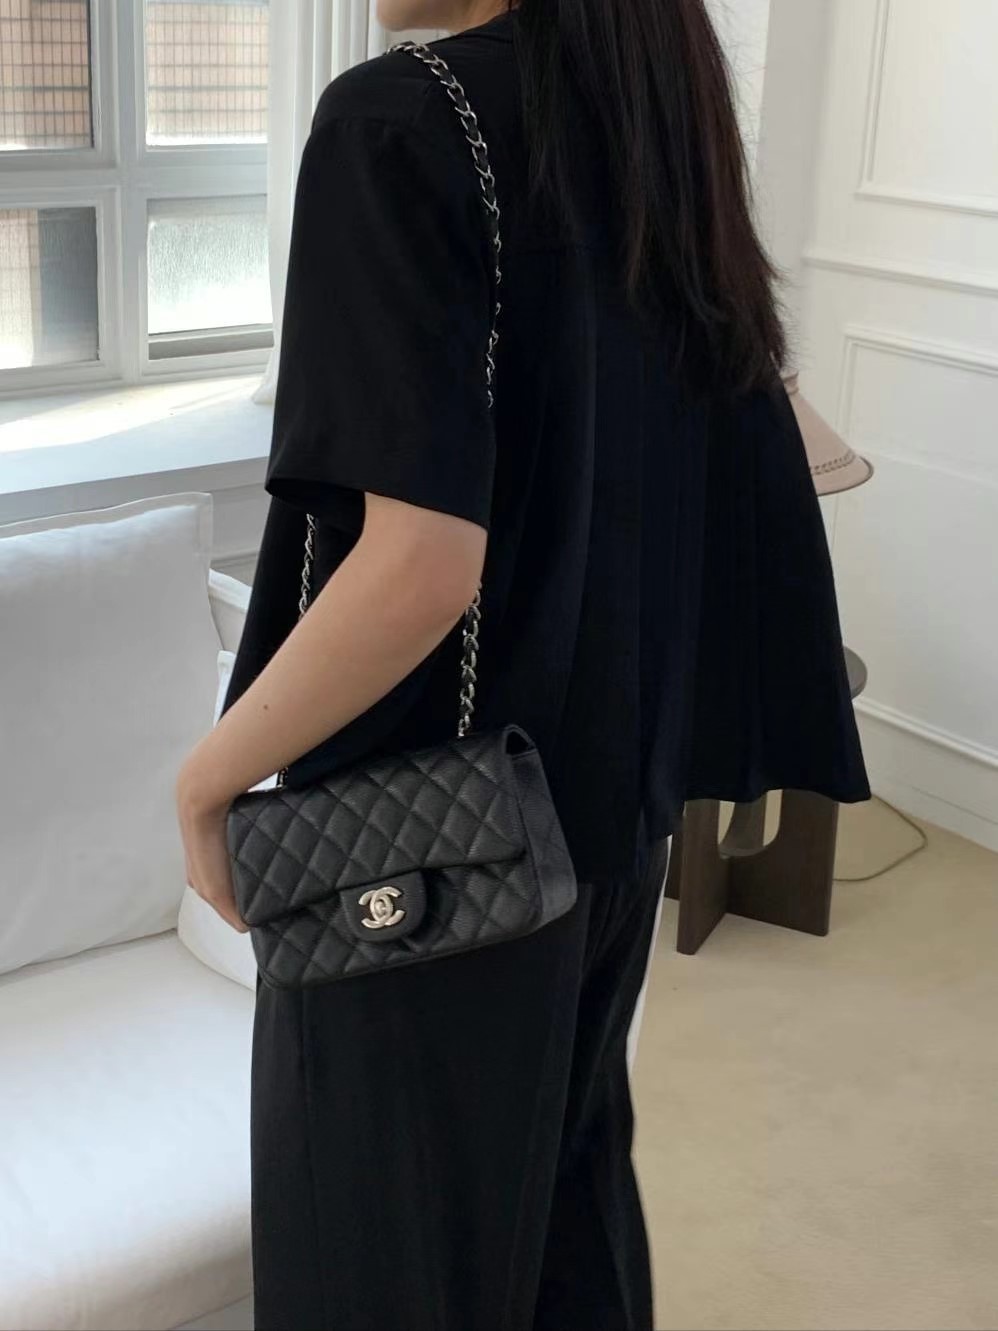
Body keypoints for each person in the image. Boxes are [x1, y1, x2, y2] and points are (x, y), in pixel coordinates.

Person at [175, 1, 871, 1326]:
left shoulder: (396, 119)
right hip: (599, 822)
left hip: (414, 844)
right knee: (560, 1230)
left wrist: (206, 778)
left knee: (374, 1269)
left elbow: (422, 565)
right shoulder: (652, 118)